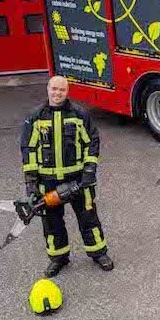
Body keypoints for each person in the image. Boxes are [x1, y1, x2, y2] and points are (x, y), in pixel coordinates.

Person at [20, 75, 113, 277]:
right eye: (54, 89)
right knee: (52, 223)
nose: (57, 93)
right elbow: (29, 150)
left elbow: (92, 143)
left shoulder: (79, 115)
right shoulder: (35, 117)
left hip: (78, 179)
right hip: (48, 181)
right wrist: (31, 183)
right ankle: (58, 258)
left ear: (67, 91)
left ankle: (99, 253)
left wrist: (89, 171)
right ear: (48, 89)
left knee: (88, 218)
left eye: (61, 90)